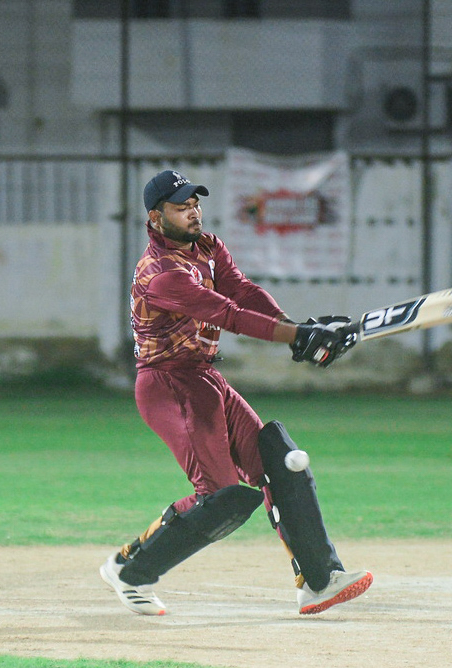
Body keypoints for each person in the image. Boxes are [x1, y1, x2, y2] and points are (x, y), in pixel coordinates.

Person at [99, 170, 372, 616]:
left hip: (205, 379)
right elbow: (226, 313)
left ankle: (319, 581)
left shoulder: (207, 247)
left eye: (195, 204)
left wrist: (296, 328)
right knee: (220, 497)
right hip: (168, 386)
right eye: (181, 207)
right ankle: (131, 569)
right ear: (155, 217)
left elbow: (242, 291)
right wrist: (296, 336)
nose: (193, 213)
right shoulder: (161, 273)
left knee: (280, 463)